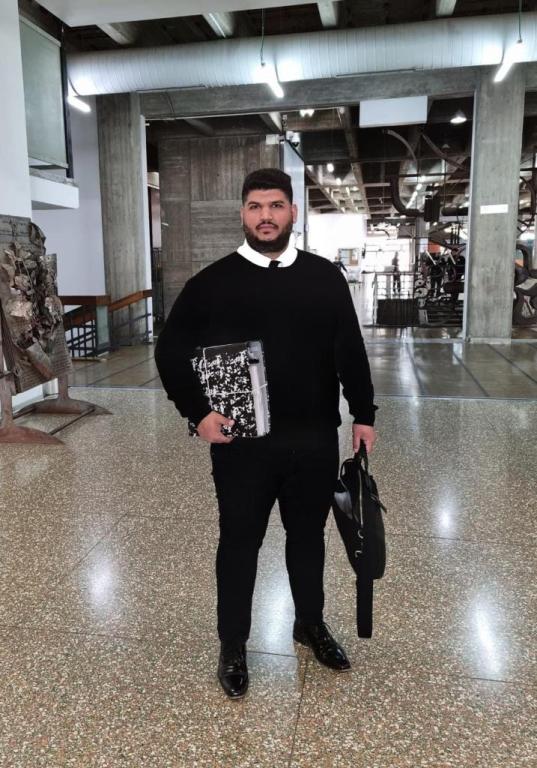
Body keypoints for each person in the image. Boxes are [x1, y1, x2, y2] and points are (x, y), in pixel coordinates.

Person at [155, 168, 377, 700]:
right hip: (243, 446)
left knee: (308, 539)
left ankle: (309, 624)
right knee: (239, 543)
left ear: (293, 212)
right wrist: (197, 413)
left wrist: (363, 413)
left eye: (276, 205)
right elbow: (170, 352)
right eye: (255, 207)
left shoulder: (324, 277)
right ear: (243, 214)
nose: (266, 216)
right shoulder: (211, 283)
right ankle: (233, 642)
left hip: (314, 438)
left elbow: (349, 349)